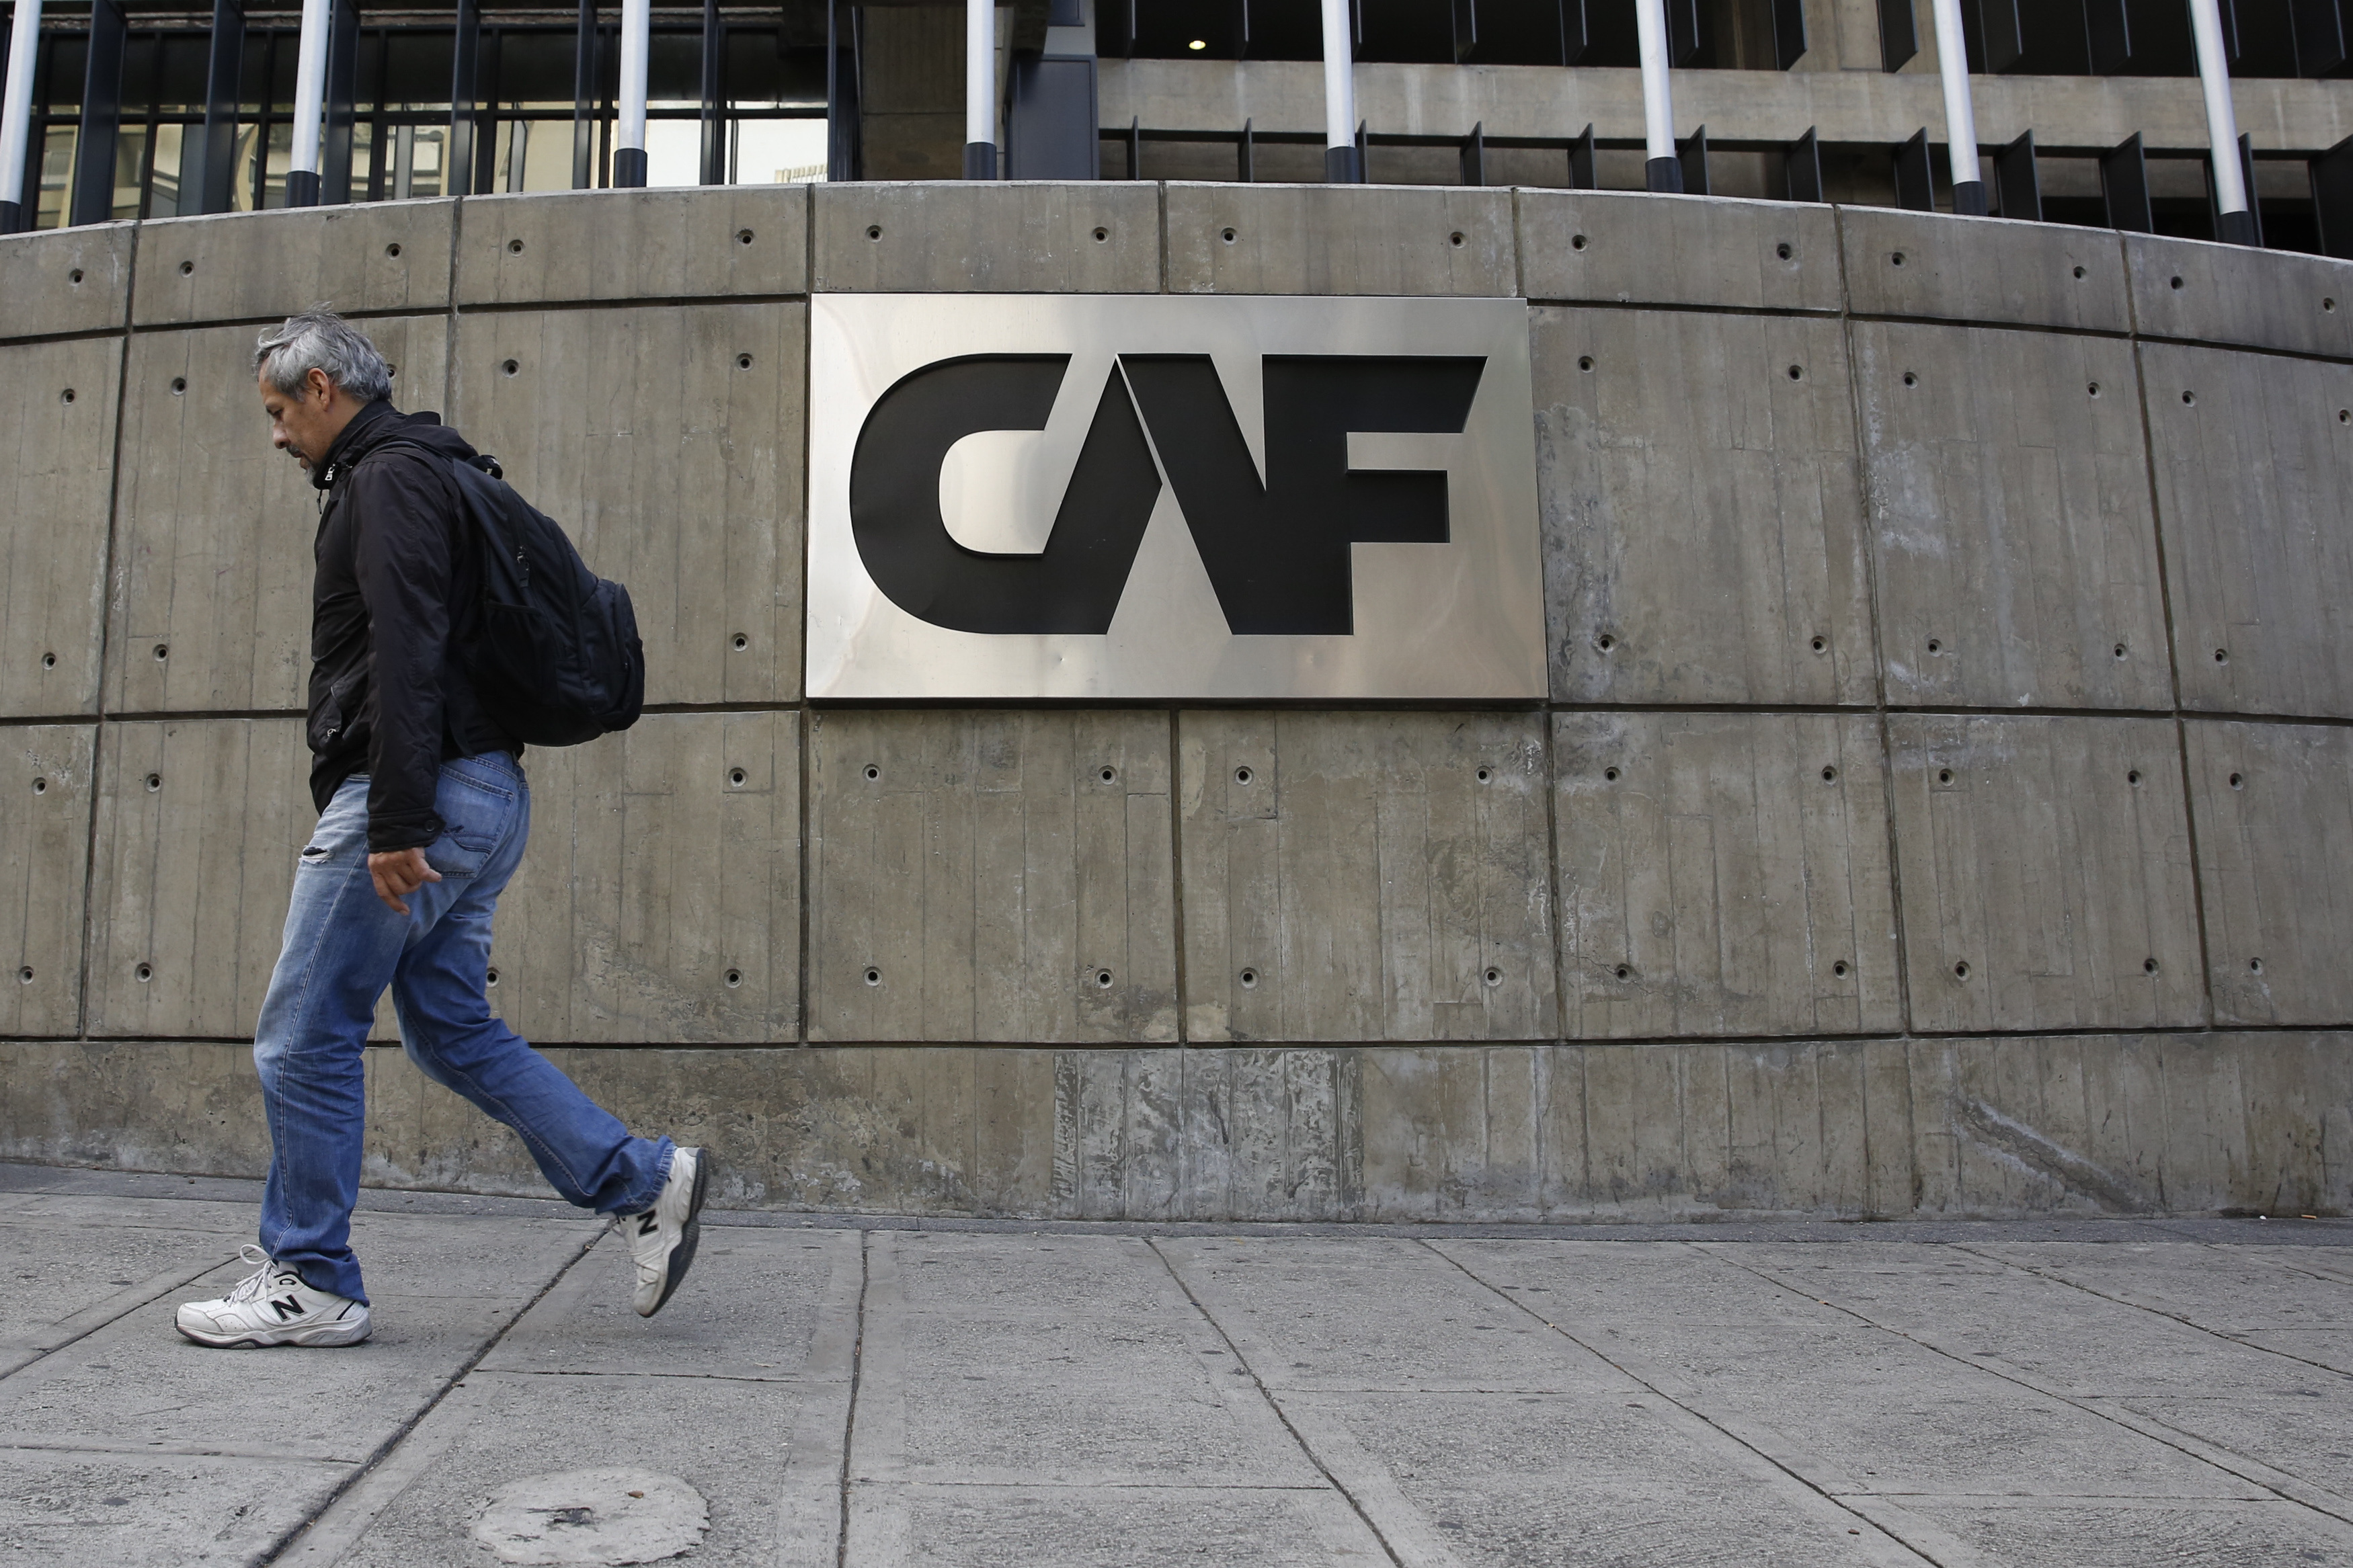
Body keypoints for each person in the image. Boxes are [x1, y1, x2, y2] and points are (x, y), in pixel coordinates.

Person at [174, 311, 710, 1348]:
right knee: (448, 1026)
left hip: (418, 795)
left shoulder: (389, 479)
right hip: (484, 792)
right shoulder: (435, 469)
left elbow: (406, 644)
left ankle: (312, 1275)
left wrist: (394, 814)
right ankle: (643, 1179)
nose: (278, 435)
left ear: (324, 387)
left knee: (304, 1031)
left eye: (282, 412)